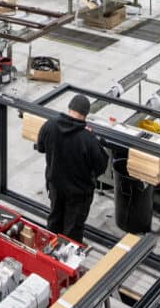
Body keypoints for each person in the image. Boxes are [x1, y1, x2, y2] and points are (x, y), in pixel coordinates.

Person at [34, 93, 108, 242]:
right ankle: (67, 262)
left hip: (55, 187)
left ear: (69, 108)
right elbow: (101, 167)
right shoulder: (88, 139)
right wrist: (99, 142)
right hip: (78, 195)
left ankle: (50, 257)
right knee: (72, 231)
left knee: (54, 221)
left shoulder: (50, 125)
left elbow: (41, 147)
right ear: (86, 115)